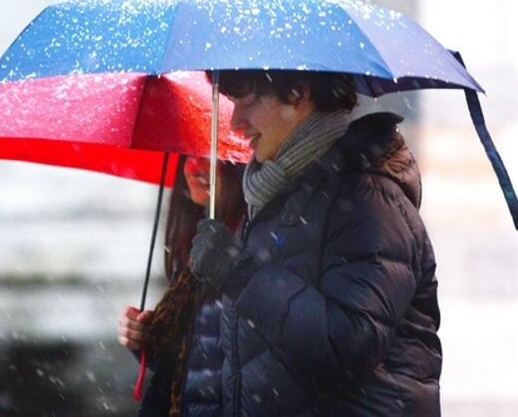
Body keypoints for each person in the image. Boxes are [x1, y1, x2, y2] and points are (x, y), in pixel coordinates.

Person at [189, 70, 442, 415]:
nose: (235, 124)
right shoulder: (280, 197)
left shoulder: (369, 200)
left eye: (247, 101)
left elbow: (348, 348)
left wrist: (239, 274)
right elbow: (250, 359)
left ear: (297, 93)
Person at [118, 155, 245, 416]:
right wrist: (149, 337)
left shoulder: (252, 243)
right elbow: (199, 357)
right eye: (188, 154)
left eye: (213, 156)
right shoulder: (193, 245)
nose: (195, 166)